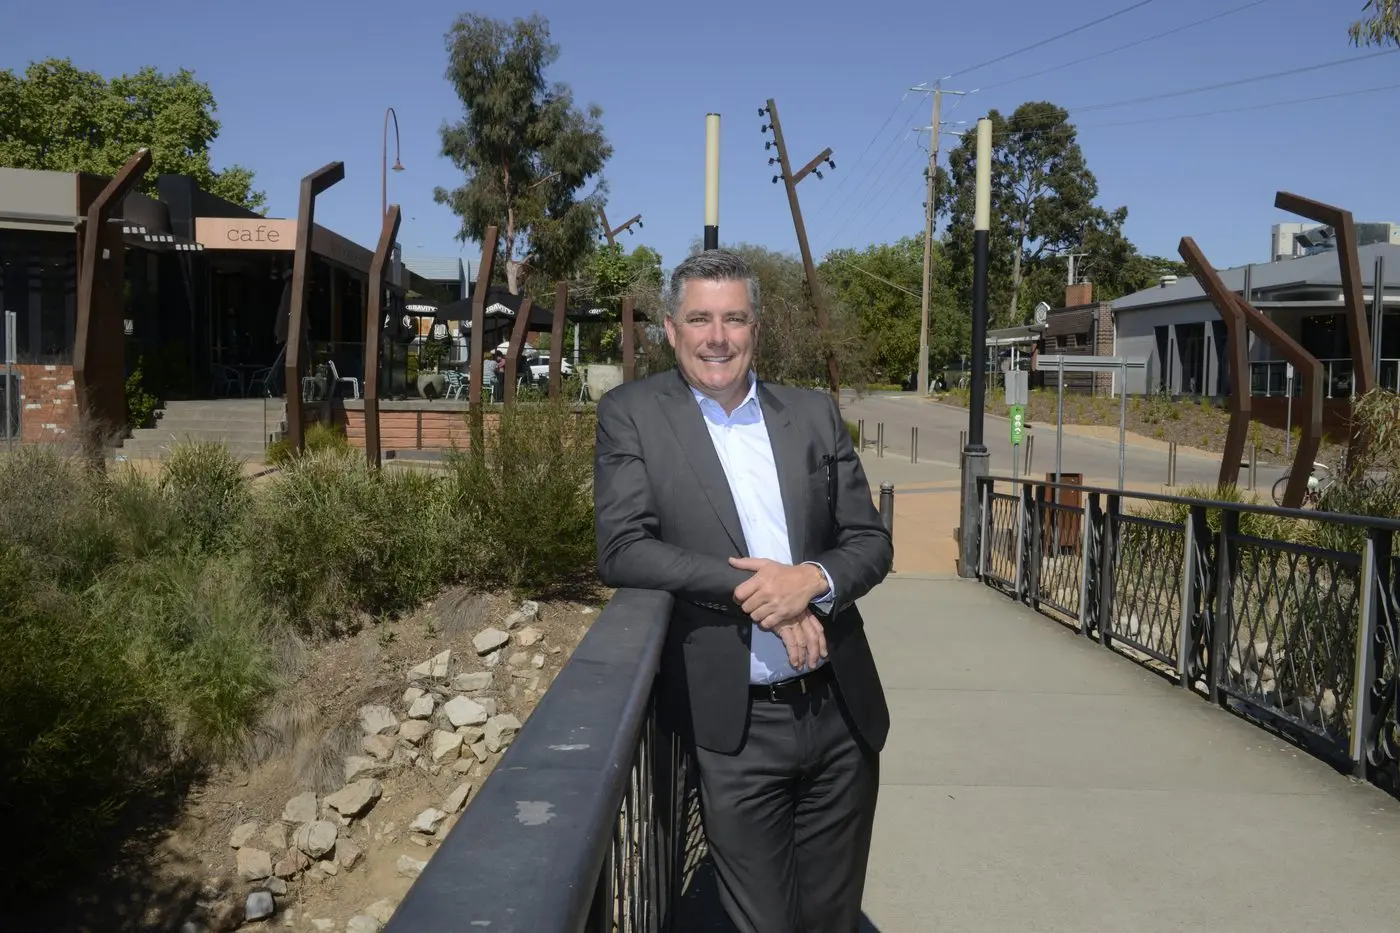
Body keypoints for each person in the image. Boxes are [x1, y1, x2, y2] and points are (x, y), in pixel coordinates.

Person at [593, 249, 892, 933]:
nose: (717, 336)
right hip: (734, 727)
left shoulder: (813, 414)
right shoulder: (632, 414)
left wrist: (811, 582)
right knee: (762, 922)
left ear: (756, 328)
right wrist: (758, 588)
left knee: (831, 918)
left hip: (841, 715)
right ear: (670, 328)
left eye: (733, 318)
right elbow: (622, 547)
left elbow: (870, 543)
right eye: (699, 318)